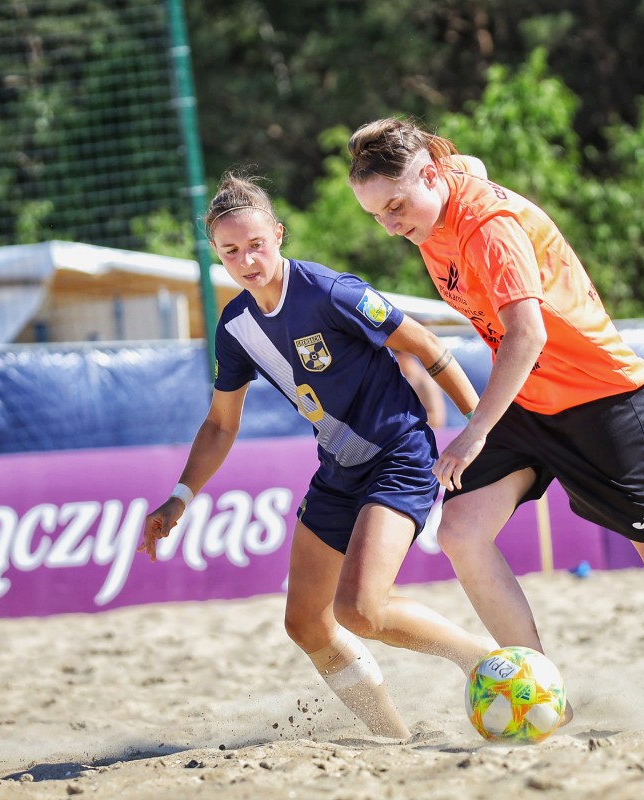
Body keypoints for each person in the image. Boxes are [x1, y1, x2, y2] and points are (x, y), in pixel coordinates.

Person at [347, 118, 644, 731]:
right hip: (529, 398)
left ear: (431, 177)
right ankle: (542, 693)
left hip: (599, 397)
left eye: (395, 206)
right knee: (462, 531)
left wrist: (475, 430)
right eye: (376, 215)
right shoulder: (441, 190)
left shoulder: (489, 228)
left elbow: (528, 335)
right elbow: (472, 166)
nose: (390, 225)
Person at [137, 170, 494, 740]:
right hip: (339, 469)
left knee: (361, 610)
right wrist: (179, 498)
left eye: (256, 244)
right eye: (231, 251)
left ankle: (483, 661)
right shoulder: (235, 327)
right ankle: (393, 738)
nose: (247, 260)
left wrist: (481, 426)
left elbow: (427, 346)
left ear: (278, 235)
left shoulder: (330, 292)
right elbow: (221, 424)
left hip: (398, 455)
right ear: (216, 254)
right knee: (305, 622)